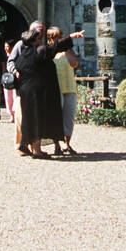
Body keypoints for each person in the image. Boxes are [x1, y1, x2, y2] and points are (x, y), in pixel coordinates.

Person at [12, 22, 83, 157]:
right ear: (33, 40)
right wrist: (71, 37)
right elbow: (55, 47)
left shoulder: (22, 56)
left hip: (25, 92)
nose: (41, 40)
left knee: (28, 120)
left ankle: (24, 145)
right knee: (37, 119)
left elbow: (19, 71)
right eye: (38, 39)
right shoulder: (40, 51)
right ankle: (37, 150)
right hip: (37, 92)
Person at [46, 26, 81, 156]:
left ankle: (67, 144)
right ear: (50, 38)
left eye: (60, 36)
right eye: (55, 36)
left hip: (69, 87)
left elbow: (75, 63)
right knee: (56, 118)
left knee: (69, 118)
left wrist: (66, 49)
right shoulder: (48, 51)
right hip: (55, 89)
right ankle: (56, 146)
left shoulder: (68, 50)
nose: (58, 39)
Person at [2, 39, 17, 130]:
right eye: (5, 47)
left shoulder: (16, 55)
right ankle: (11, 114)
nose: (6, 48)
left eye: (7, 46)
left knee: (15, 96)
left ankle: (15, 114)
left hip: (14, 78)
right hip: (7, 78)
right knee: (8, 97)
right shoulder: (4, 56)